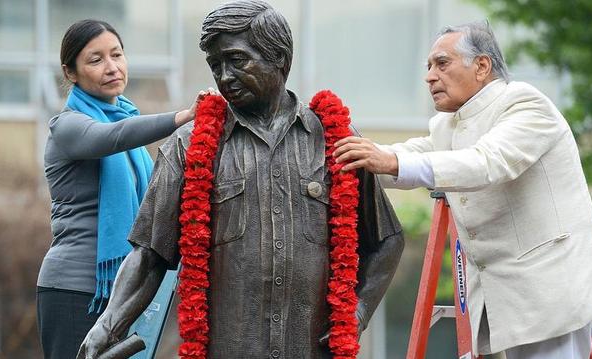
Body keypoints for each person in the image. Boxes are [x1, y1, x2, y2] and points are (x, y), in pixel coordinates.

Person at [78, 1, 404, 358]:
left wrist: (355, 314)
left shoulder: (334, 137)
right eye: (216, 66)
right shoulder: (189, 145)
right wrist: (106, 329)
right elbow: (149, 255)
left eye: (237, 60)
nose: (225, 77)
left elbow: (387, 239)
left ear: (279, 57)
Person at [334, 21, 592, 359]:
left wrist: (388, 160)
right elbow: (414, 154)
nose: (429, 77)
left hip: (552, 295)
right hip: (508, 300)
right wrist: (348, 159)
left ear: (482, 66)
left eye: (442, 63)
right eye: (428, 67)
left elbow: (486, 162)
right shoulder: (448, 124)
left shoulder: (525, 103)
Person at [36, 19, 212, 359]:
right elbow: (111, 138)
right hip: (76, 289)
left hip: (128, 293)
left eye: (117, 54)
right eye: (96, 59)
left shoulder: (128, 123)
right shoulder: (69, 126)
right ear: (70, 72)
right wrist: (183, 116)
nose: (111, 67)